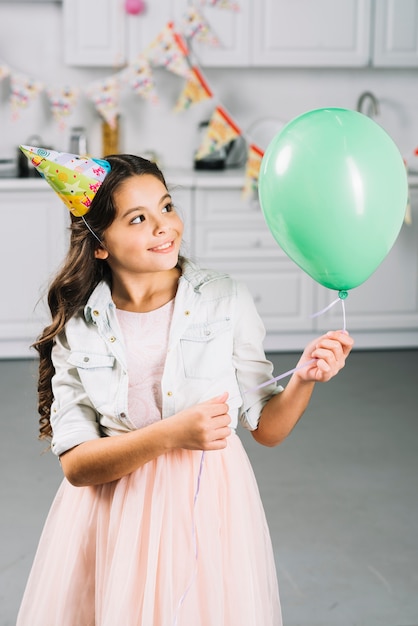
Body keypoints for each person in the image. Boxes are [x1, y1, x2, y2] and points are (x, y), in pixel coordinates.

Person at [16, 148, 353, 626]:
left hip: (208, 505)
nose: (163, 226)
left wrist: (303, 377)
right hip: (114, 512)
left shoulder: (225, 299)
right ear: (99, 244)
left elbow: (268, 429)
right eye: (137, 218)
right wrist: (172, 434)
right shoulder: (81, 325)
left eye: (167, 206)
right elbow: (77, 466)